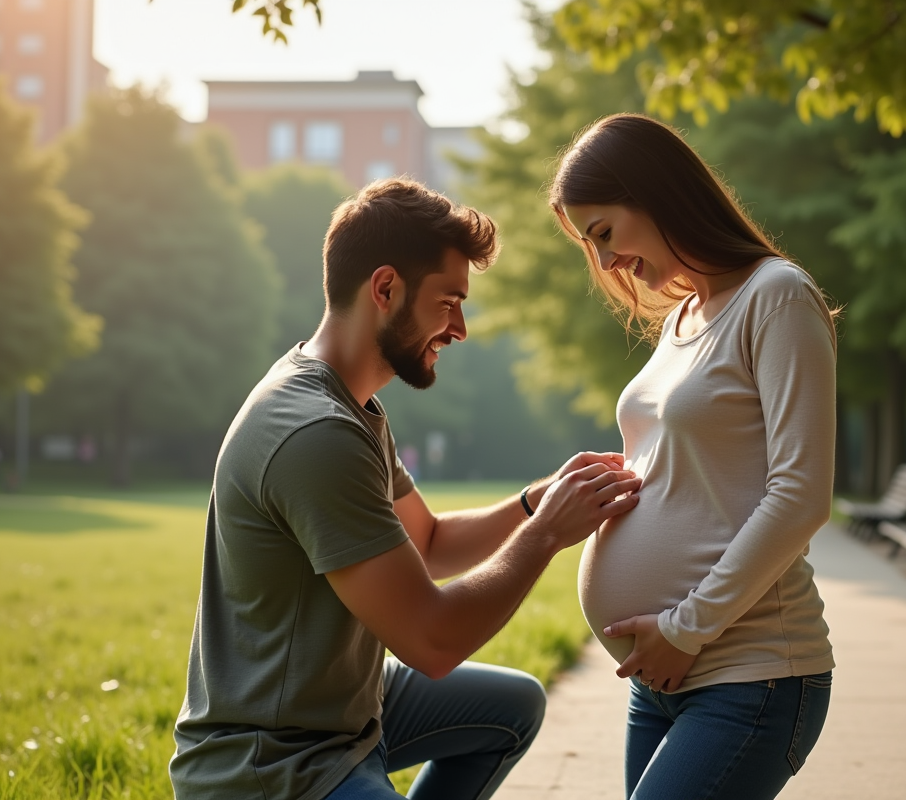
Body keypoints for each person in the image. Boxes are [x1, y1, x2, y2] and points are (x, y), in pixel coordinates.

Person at [169, 178, 642, 800]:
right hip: (277, 765)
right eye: (450, 301)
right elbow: (432, 640)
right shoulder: (315, 432)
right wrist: (547, 532)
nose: (461, 328)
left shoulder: (351, 405)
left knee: (512, 707)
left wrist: (536, 498)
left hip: (347, 713)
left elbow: (429, 541)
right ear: (385, 288)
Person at [550, 114, 837, 800]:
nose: (607, 262)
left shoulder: (776, 296)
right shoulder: (684, 317)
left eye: (604, 233)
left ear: (654, 194)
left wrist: (685, 628)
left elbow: (801, 494)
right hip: (660, 678)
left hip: (751, 671)